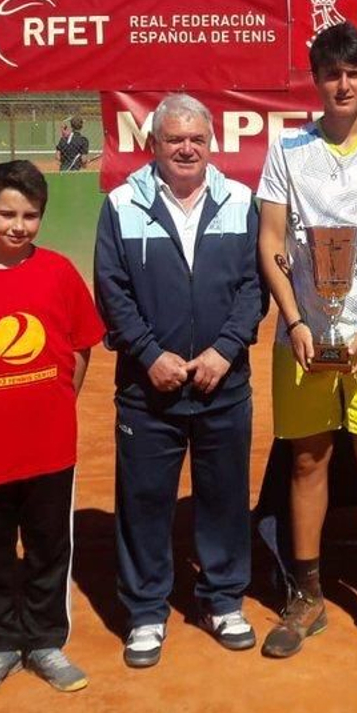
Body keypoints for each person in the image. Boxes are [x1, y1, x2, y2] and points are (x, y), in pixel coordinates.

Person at [257, 22, 357, 662]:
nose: (343, 83)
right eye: (331, 73)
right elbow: (271, 242)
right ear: (316, 78)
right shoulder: (288, 150)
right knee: (306, 460)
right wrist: (297, 321)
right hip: (302, 337)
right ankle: (306, 596)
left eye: (354, 72)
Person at [95, 93, 263, 668]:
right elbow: (111, 289)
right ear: (155, 145)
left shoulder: (241, 201)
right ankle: (145, 611)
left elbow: (253, 286)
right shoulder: (121, 204)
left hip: (224, 383)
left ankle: (222, 600)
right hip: (148, 389)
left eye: (196, 138)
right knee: (143, 501)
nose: (186, 148)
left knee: (224, 496)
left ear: (210, 141)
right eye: (174, 139)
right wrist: (148, 354)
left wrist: (225, 349)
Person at [0, 160, 103, 700]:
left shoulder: (59, 273)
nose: (18, 225)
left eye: (30, 216)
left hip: (48, 443)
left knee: (47, 546)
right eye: (6, 213)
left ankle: (43, 640)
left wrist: (61, 399)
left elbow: (82, 345)